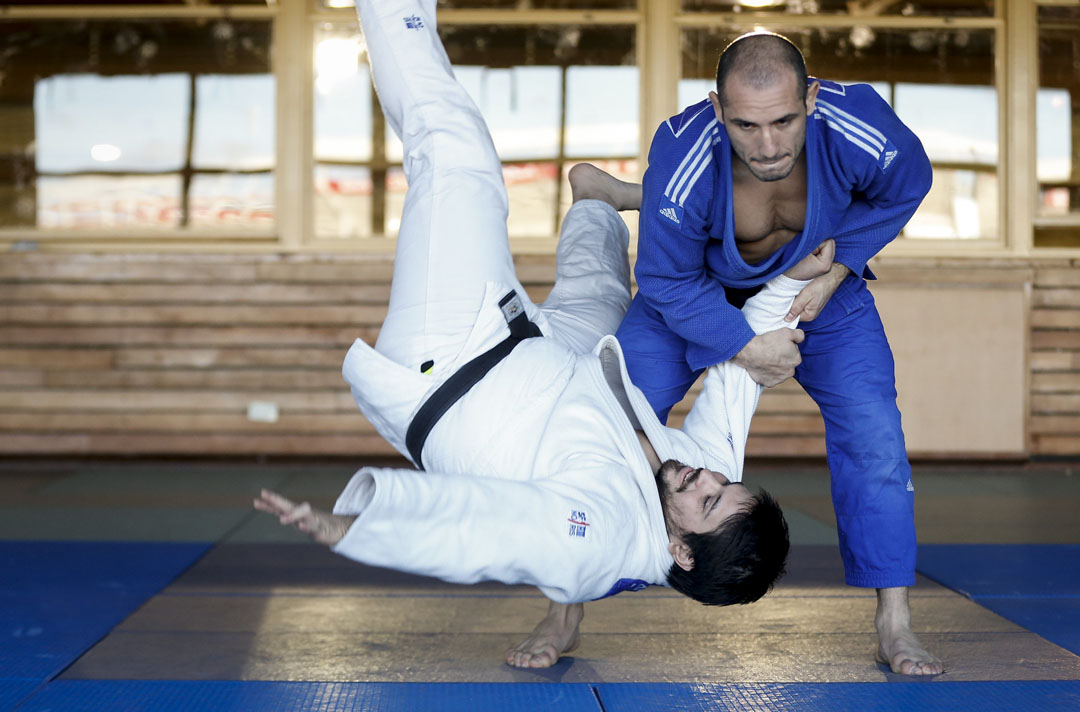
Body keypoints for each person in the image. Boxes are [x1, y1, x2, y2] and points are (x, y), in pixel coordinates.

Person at [254, 0, 834, 668]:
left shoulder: (596, 542)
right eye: (723, 484)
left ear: (679, 551)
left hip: (453, 362)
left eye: (705, 500)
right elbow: (739, 375)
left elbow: (485, 530)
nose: (705, 475)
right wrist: (798, 279)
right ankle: (594, 204)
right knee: (615, 299)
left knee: (455, 154)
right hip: (553, 355)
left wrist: (355, 530)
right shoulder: (705, 479)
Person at [613, 32, 942, 675]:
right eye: (746, 125)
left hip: (817, 286)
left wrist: (839, 268)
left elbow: (910, 182)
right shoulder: (683, 149)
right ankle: (566, 602)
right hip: (695, 293)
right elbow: (665, 280)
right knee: (611, 419)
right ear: (716, 110)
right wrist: (742, 346)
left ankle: (894, 620)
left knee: (874, 434)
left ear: (811, 98)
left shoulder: (856, 120)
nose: (768, 145)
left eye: (784, 120)